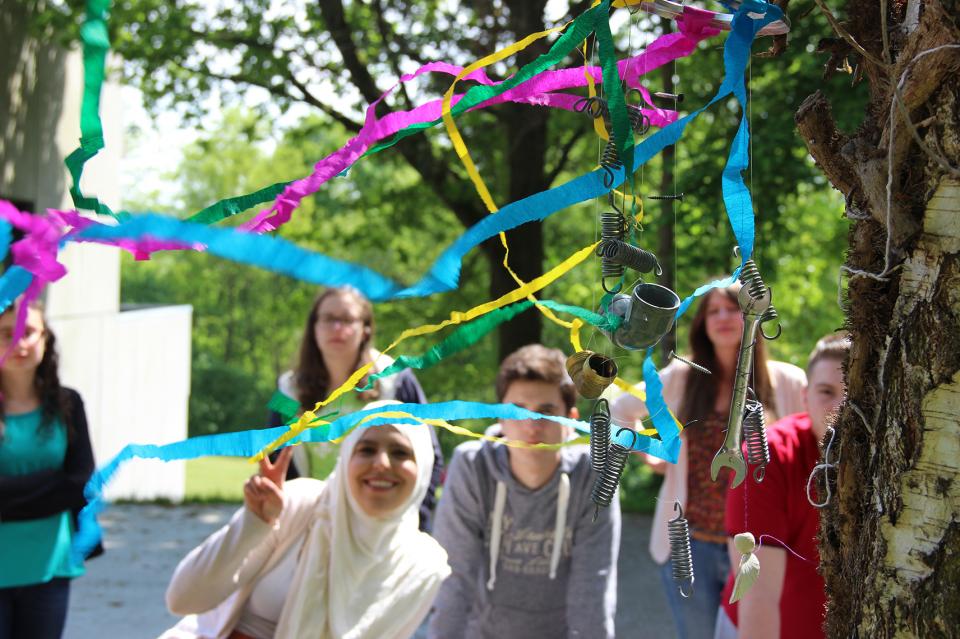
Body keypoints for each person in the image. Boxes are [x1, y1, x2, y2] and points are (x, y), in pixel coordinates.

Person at [611, 284, 807, 639]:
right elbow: (620, 410)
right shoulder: (681, 378)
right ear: (702, 324)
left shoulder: (788, 382)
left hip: (764, 547)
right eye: (713, 311)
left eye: (732, 309)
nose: (722, 318)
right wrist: (653, 454)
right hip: (691, 546)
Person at [162, 399, 451, 639]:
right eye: (366, 449)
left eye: (400, 452)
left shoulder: (424, 565)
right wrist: (253, 526)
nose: (381, 463)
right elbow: (182, 599)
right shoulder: (301, 504)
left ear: (423, 468)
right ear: (347, 456)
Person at [428, 344, 620, 639]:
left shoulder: (593, 474)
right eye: (517, 411)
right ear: (501, 418)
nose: (532, 424)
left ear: (569, 420)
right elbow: (454, 578)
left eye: (546, 412)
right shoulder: (473, 466)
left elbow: (593, 588)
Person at [266, 286, 443, 530]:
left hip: (382, 526)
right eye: (329, 319)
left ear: (365, 329)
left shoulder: (397, 380)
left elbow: (429, 455)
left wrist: (416, 522)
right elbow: (275, 460)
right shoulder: (286, 390)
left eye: (348, 319)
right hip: (313, 524)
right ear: (314, 328)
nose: (338, 328)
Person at [715, 332, 850, 639]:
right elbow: (757, 597)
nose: (841, 410)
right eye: (826, 392)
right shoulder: (767, 460)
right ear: (805, 395)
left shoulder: (900, 462)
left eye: (854, 393)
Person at [0, 299, 96, 639]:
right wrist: (47, 485)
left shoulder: (68, 405)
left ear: (45, 339)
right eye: (6, 334)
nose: (19, 343)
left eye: (28, 332)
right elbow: (63, 485)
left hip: (50, 567)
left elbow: (80, 483)